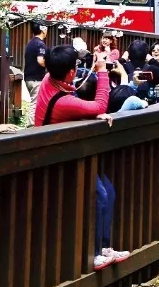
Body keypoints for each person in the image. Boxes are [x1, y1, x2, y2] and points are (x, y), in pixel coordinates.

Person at [32, 45, 130, 271]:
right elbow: (100, 104)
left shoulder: (50, 79)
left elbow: (90, 106)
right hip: (58, 159)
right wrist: (102, 71)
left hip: (67, 152)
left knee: (108, 192)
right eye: (75, 66)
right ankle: (95, 253)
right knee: (101, 196)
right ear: (70, 73)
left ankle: (105, 247)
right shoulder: (63, 101)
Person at [24, 22, 48, 126]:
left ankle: (36, 124)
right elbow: (40, 60)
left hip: (28, 77)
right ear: (43, 30)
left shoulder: (30, 43)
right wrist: (50, 65)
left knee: (35, 101)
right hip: (36, 79)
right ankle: (30, 127)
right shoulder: (40, 44)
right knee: (35, 103)